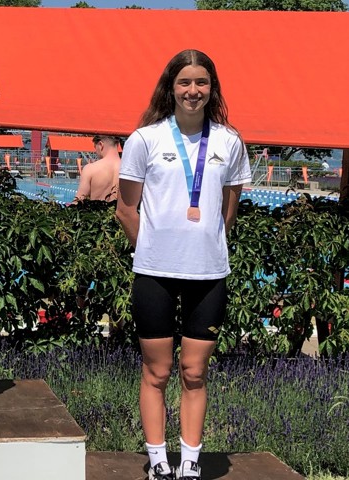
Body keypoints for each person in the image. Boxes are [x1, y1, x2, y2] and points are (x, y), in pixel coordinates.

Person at [115, 50, 251, 480]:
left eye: (202, 83)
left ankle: (189, 459)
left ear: (212, 89)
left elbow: (230, 205)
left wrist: (205, 243)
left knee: (195, 372)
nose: (193, 91)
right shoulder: (145, 139)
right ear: (170, 88)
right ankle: (158, 461)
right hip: (153, 273)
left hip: (208, 275)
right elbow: (125, 208)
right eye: (185, 83)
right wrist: (154, 250)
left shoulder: (229, 142)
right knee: (157, 371)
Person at [75, 134, 122, 201]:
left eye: (95, 147)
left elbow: (78, 202)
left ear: (100, 145)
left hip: (98, 210)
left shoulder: (90, 169)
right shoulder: (130, 169)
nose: (95, 151)